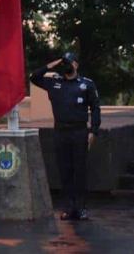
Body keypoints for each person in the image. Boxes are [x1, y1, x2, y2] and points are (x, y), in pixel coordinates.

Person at [30, 51, 101, 221]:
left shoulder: (86, 84)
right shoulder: (54, 82)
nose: (66, 66)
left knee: (79, 170)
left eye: (69, 63)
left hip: (79, 131)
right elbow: (34, 77)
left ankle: (81, 207)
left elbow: (96, 108)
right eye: (64, 63)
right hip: (61, 131)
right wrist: (53, 64)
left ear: (76, 65)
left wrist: (94, 131)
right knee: (65, 170)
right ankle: (69, 208)